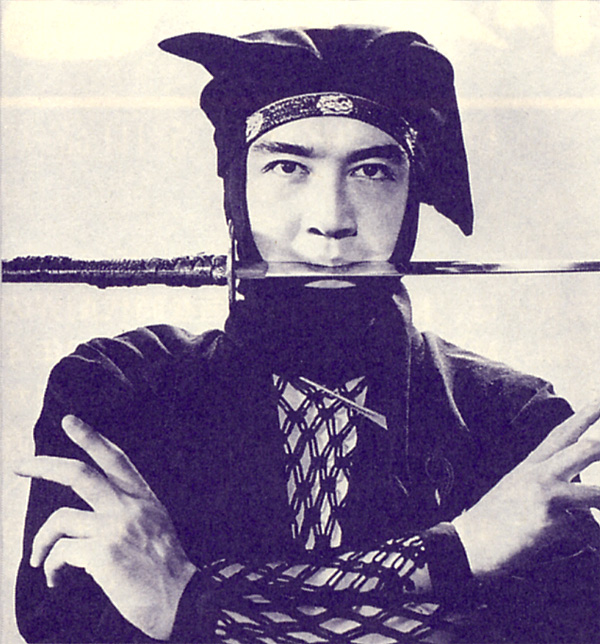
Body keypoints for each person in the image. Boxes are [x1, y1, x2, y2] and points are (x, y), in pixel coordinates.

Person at [14, 26, 600, 643]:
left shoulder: (509, 418)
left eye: (372, 170)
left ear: (412, 199)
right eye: (289, 166)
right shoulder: (120, 388)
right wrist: (452, 559)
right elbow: (66, 625)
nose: (332, 220)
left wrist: (184, 603)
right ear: (236, 192)